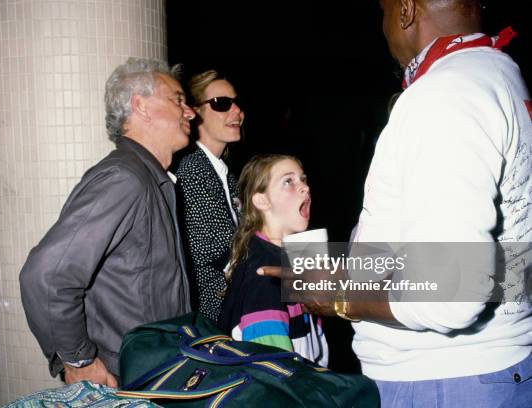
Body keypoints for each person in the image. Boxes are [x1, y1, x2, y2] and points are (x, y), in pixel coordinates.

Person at [261, 0, 532, 405]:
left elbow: (450, 293)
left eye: (383, 9)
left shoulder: (445, 95)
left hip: (442, 380)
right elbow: (506, 259)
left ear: (405, 11)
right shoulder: (498, 73)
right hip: (490, 366)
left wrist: (338, 295)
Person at [19, 58, 195, 386]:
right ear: (140, 106)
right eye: (178, 99)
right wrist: (80, 360)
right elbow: (46, 276)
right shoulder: (124, 179)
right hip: (129, 375)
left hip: (155, 365)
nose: (190, 111)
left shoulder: (148, 178)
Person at [219, 154, 328, 366]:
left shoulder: (285, 256)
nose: (305, 187)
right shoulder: (265, 272)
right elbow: (273, 367)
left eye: (303, 179)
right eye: (288, 181)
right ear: (262, 200)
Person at [175, 70, 244, 323]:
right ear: (195, 112)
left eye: (236, 103)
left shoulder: (225, 174)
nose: (236, 111)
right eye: (222, 104)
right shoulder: (192, 168)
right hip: (213, 318)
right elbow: (220, 251)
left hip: (231, 309)